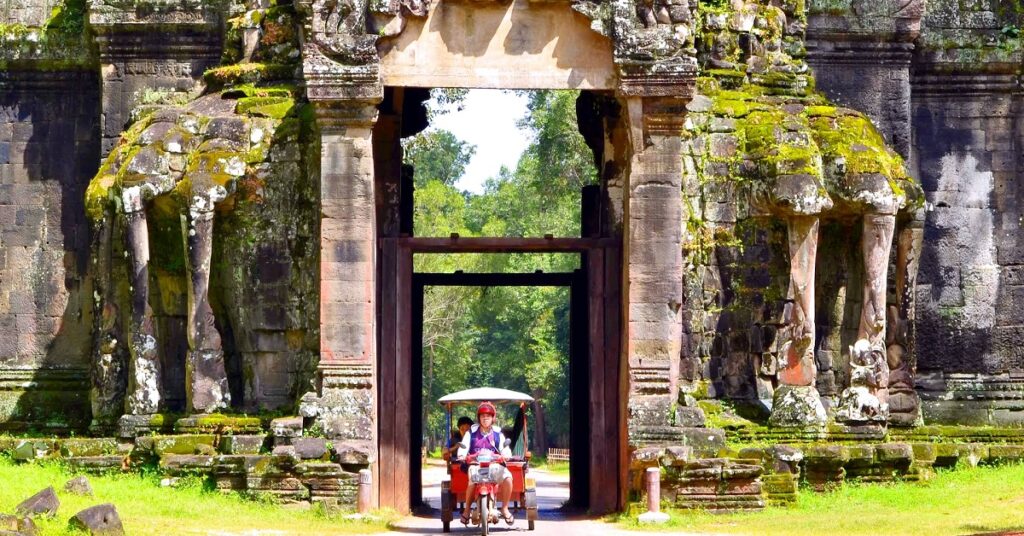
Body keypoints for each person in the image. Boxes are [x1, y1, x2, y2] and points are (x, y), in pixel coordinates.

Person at [458, 401, 514, 526]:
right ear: (479, 418)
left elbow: (505, 448)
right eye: (482, 416)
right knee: (472, 481)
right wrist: (462, 455)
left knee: (508, 478)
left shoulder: (498, 433)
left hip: (494, 465)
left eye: (488, 416)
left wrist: (506, 454)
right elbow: (463, 447)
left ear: (493, 418)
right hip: (475, 465)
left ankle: (505, 508)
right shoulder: (470, 433)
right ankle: (467, 510)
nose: (485, 418)